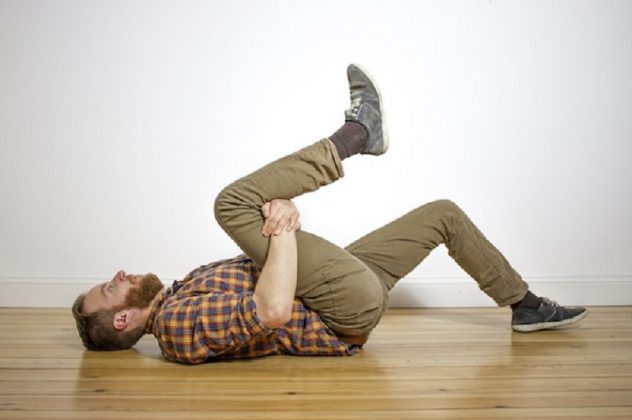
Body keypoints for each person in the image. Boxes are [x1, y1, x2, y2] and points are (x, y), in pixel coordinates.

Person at [72, 64, 588, 364]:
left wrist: (280, 223)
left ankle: (527, 306)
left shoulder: (178, 292)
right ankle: (358, 134)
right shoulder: (175, 328)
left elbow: (271, 274)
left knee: (442, 215)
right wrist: (285, 227)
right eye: (110, 288)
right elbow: (272, 312)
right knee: (230, 204)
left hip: (342, 284)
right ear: (122, 319)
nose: (119, 275)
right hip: (341, 312)